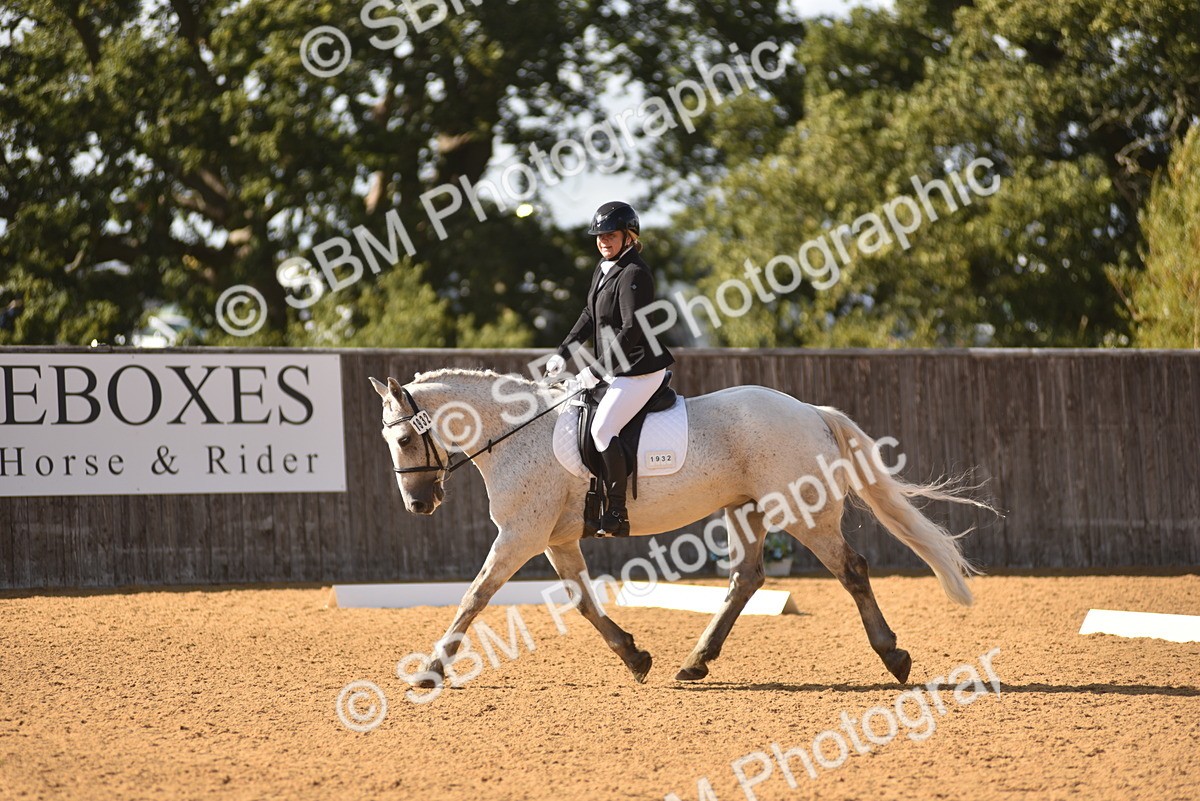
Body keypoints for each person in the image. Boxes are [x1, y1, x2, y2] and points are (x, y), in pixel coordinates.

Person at [545, 201, 674, 536]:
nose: (603, 240)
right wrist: (564, 352)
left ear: (629, 237)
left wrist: (598, 370)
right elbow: (589, 317)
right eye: (599, 235)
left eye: (611, 234)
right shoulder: (604, 269)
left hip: (640, 370)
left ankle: (617, 513)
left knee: (602, 430)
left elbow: (632, 329)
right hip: (617, 369)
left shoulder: (634, 273)